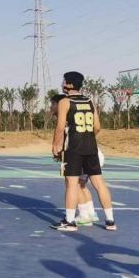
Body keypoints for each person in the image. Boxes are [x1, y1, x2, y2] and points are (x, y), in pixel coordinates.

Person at [51, 71, 116, 232]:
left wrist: (55, 145)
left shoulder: (65, 102)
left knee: (72, 184)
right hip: (91, 147)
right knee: (99, 183)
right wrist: (87, 137)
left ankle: (70, 222)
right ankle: (110, 221)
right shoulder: (89, 101)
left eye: (64, 81)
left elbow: (60, 127)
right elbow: (97, 127)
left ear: (69, 84)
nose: (62, 83)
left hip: (74, 148)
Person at [50, 93, 100, 226]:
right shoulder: (72, 114)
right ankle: (90, 213)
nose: (51, 107)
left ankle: (83, 215)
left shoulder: (66, 117)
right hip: (90, 152)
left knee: (73, 183)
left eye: (53, 104)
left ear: (59, 104)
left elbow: (64, 135)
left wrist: (56, 148)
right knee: (81, 184)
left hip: (81, 153)